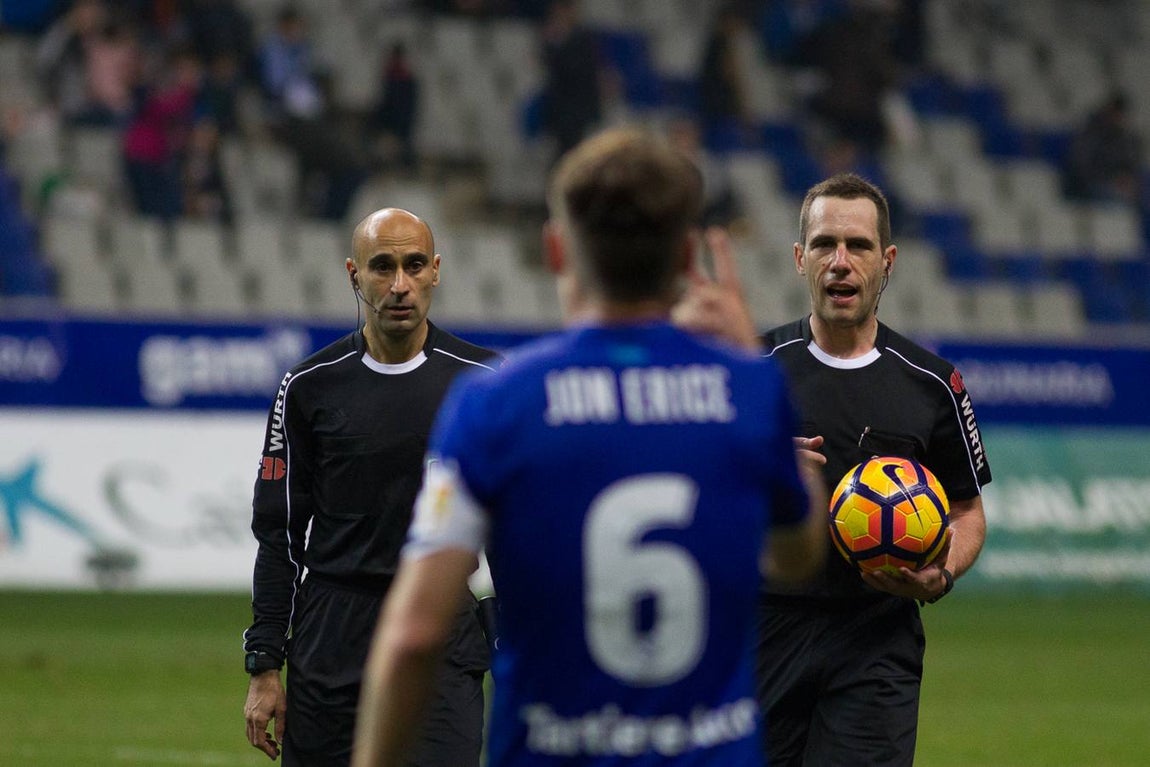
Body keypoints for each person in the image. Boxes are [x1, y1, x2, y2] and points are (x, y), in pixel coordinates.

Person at [350, 127, 828, 767]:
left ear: (556, 249)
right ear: (687, 257)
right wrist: (749, 366)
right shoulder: (747, 390)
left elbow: (413, 635)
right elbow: (799, 554)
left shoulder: (495, 403)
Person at [677, 172, 990, 766]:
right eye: (824, 245)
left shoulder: (934, 384)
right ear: (800, 258)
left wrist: (942, 573)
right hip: (763, 630)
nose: (840, 262)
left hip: (875, 639)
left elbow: (968, 510)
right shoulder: (752, 370)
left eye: (859, 246)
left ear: (887, 260)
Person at [242, 208, 500, 766]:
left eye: (413, 266)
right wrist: (265, 665)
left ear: (436, 271)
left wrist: (516, 643)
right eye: (382, 267)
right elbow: (279, 536)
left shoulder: (485, 385)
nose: (399, 284)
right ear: (354, 275)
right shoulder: (307, 386)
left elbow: (515, 531)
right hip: (332, 632)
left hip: (440, 625)